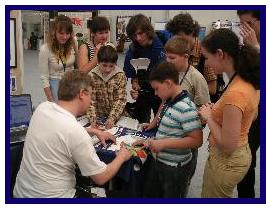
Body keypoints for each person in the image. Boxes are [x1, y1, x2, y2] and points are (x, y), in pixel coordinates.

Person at [13, 70, 131, 198]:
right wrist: (122, 156)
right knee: (124, 196)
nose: (91, 100)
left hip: (20, 194)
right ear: (82, 94)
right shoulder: (76, 132)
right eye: (90, 95)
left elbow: (58, 131)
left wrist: (92, 130)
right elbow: (101, 177)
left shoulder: (42, 108)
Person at [198, 28, 260, 198]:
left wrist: (210, 117)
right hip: (241, 152)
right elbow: (252, 115)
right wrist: (221, 111)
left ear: (220, 54)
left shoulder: (236, 92)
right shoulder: (247, 77)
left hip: (227, 161)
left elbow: (228, 145)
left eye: (207, 58)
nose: (207, 64)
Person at [133, 62, 203, 198]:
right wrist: (150, 141)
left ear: (168, 83)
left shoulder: (186, 108)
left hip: (174, 168)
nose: (155, 93)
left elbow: (197, 140)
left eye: (157, 89)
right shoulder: (168, 101)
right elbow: (169, 131)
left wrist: (164, 144)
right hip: (159, 161)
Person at [166, 13, 223, 103]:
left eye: (180, 35)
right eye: (174, 35)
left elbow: (212, 89)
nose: (176, 39)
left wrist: (187, 87)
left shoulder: (205, 53)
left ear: (191, 33)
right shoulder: (177, 50)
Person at [124, 14, 165, 123]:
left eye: (140, 33)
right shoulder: (132, 50)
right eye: (134, 35)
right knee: (141, 123)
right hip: (143, 90)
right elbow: (130, 75)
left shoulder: (163, 42)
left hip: (162, 89)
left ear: (148, 30)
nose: (138, 38)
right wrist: (135, 84)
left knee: (162, 122)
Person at [237, 10, 260, 198]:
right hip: (251, 112)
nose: (246, 30)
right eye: (242, 25)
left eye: (249, 25)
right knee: (246, 159)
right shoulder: (248, 45)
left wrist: (256, 49)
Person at [86, 45, 128, 129]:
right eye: (104, 65)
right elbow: (90, 100)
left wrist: (112, 118)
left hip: (117, 116)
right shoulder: (91, 76)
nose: (108, 69)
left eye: (111, 66)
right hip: (98, 116)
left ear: (115, 63)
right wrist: (92, 119)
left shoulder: (120, 75)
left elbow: (120, 99)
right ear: (98, 62)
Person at [39, 15, 78, 102]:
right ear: (54, 32)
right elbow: (44, 77)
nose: (65, 37)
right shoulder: (45, 49)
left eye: (67, 33)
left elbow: (77, 65)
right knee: (59, 112)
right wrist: (51, 100)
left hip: (71, 83)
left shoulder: (73, 42)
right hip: (56, 84)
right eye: (61, 33)